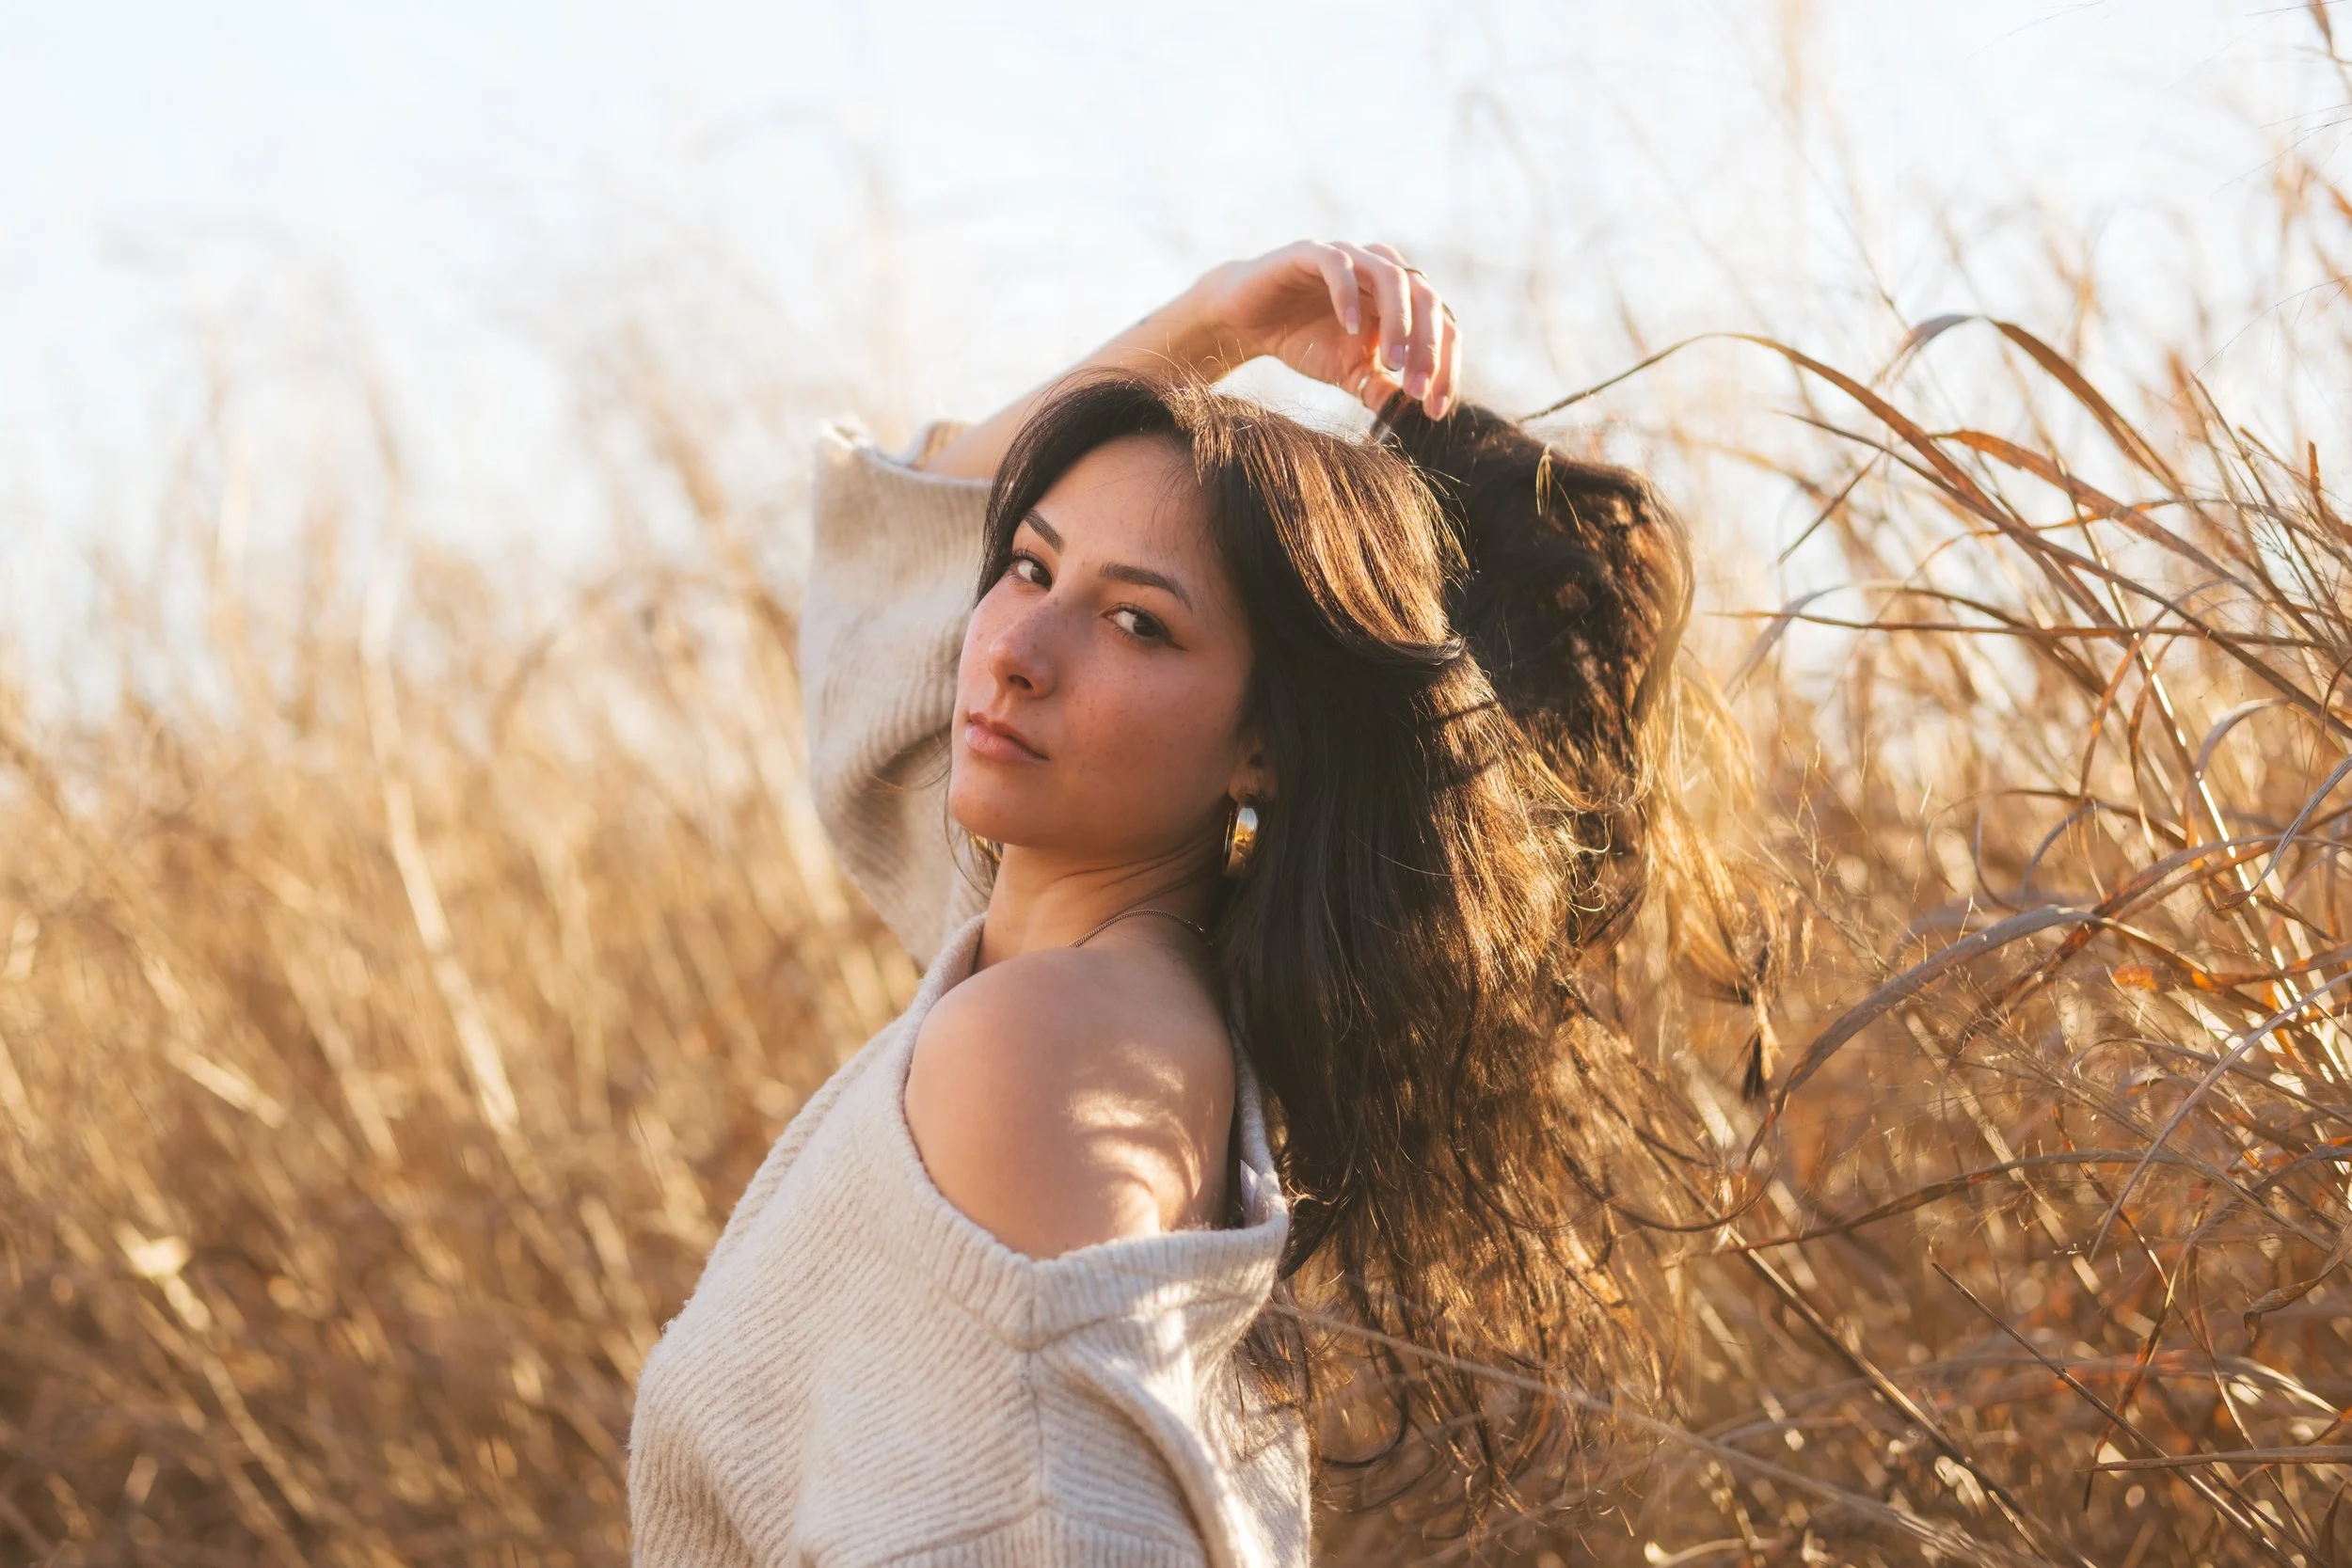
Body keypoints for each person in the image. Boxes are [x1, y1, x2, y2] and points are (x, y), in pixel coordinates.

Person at [628, 240, 1738, 1565]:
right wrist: (1216, 327)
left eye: (1140, 624)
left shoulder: (1050, 1049)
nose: (1017, 652)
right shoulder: (1074, 951)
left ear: (1262, 745)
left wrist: (1208, 346)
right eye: (1031, 569)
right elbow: (902, 558)